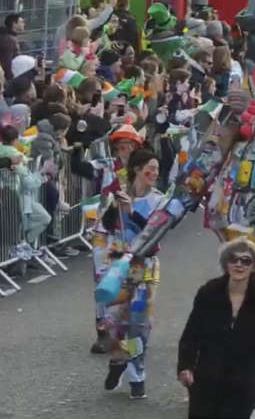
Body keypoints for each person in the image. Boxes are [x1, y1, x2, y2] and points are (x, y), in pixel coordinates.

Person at [177, 238, 255, 419]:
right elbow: (192, 332)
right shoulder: (209, 292)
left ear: (254, 266)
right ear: (226, 264)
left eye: (246, 260)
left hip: (242, 383)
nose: (239, 265)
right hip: (208, 380)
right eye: (233, 259)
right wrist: (185, 366)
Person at [97, 148, 164, 400]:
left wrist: (131, 212)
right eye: (151, 167)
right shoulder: (118, 195)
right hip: (118, 267)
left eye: (157, 169)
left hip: (144, 267)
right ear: (137, 169)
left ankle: (137, 375)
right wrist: (116, 206)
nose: (155, 173)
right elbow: (104, 226)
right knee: (115, 322)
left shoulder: (159, 200)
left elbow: (154, 235)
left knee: (138, 324)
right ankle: (118, 362)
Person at [0, 12, 23, 80]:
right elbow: (7, 62)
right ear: (14, 24)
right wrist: (10, 80)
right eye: (21, 22)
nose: (24, 24)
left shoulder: (10, 38)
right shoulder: (8, 39)